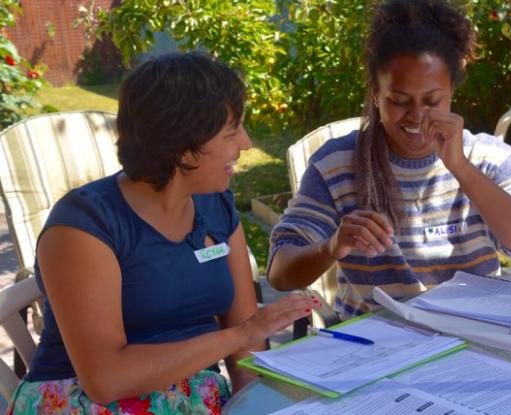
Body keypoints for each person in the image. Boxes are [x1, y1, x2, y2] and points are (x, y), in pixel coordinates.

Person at [7, 51, 319, 414]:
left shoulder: (216, 207)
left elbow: (245, 350)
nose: (246, 143)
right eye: (232, 131)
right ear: (182, 144)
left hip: (192, 398)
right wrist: (239, 337)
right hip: (86, 402)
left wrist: (255, 407)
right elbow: (105, 379)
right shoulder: (84, 225)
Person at [267, 0, 511, 319]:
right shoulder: (337, 164)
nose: (417, 116)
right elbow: (280, 273)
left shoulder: (489, 158)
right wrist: (332, 245)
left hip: (473, 338)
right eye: (399, 101)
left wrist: (460, 167)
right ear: (376, 94)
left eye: (433, 100)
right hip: (377, 345)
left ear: (452, 91)